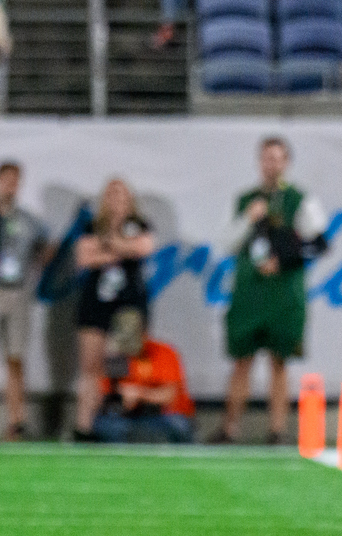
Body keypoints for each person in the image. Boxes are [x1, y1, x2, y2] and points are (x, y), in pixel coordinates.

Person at [214, 137, 329, 445]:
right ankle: (229, 428)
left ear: (286, 162)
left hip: (283, 294)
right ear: (259, 162)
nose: (272, 165)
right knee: (242, 361)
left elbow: (318, 243)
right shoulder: (246, 200)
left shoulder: (299, 200)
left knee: (279, 362)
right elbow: (227, 243)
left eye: (277, 159)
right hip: (250, 292)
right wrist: (248, 218)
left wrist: (284, 259)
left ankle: (277, 430)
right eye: (267, 158)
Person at [72, 177, 155, 442]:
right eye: (111, 193)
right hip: (96, 302)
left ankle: (119, 424)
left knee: (122, 365)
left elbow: (143, 248)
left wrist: (106, 246)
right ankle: (84, 426)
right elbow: (83, 257)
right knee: (90, 366)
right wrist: (120, 250)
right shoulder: (92, 225)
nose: (116, 199)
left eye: (121, 194)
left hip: (127, 305)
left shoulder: (138, 225)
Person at [0, 161, 49, 441]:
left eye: (16, 180)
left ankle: (16, 420)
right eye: (6, 179)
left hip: (17, 290)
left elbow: (45, 247)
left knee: (15, 357)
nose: (10, 186)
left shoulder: (28, 220)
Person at [92, 310, 195, 445]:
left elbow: (169, 396)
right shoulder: (117, 359)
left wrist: (139, 394)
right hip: (130, 418)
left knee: (179, 425)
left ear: (144, 333)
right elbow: (106, 395)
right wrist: (119, 400)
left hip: (163, 416)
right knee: (106, 424)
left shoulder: (163, 353)